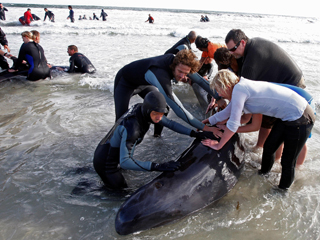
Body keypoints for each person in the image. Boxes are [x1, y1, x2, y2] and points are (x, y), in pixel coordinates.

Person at [201, 70, 315, 190]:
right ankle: (263, 175)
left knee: (288, 161)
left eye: (219, 91)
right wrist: (206, 122)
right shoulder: (241, 87)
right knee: (269, 147)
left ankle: (282, 191)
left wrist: (219, 145)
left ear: (227, 86)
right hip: (287, 116)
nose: (219, 94)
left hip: (301, 117)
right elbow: (230, 113)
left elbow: (233, 123)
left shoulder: (240, 90)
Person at [93, 91, 213, 190]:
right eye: (156, 114)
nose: (159, 118)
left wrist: (195, 134)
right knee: (122, 192)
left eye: (162, 114)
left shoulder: (144, 109)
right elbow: (125, 161)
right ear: (148, 110)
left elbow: (170, 123)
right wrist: (158, 166)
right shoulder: (133, 128)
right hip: (106, 165)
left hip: (112, 154)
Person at [225, 29, 306, 154]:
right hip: (280, 83)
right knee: (267, 118)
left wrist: (228, 120)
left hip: (292, 84)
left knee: (284, 127)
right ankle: (259, 147)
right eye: (229, 50)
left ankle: (285, 162)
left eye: (233, 49)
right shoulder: (249, 48)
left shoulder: (253, 57)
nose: (231, 53)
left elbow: (242, 93)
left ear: (242, 42)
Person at [113, 49, 222, 137]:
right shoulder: (161, 74)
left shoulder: (183, 66)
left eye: (186, 73)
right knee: (121, 120)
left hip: (144, 83)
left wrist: (218, 97)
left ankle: (156, 137)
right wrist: (206, 128)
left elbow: (200, 81)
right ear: (174, 66)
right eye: (179, 72)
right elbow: (179, 110)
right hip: (125, 83)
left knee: (162, 107)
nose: (181, 76)